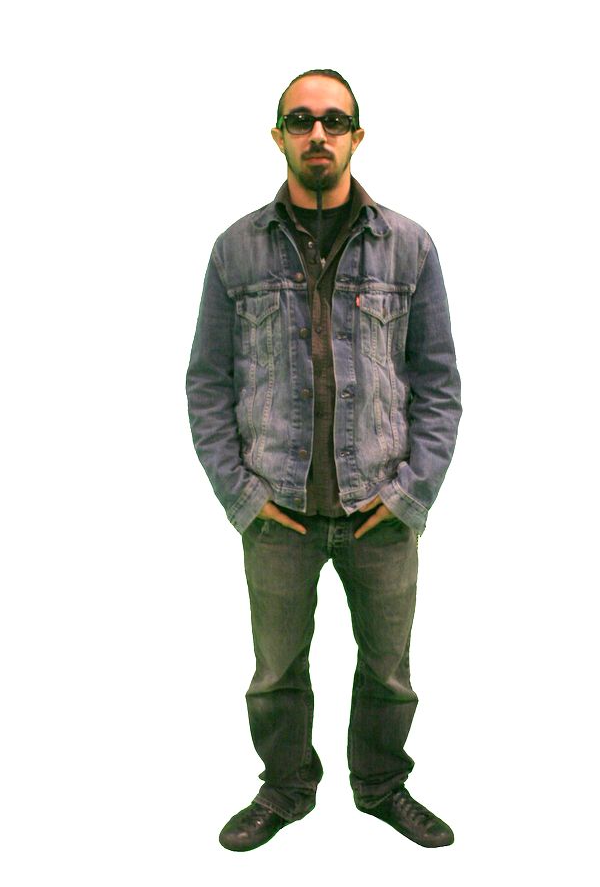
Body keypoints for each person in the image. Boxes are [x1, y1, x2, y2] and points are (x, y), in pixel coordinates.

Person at [186, 68, 462, 851]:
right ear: (278, 135)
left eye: (333, 121)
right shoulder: (237, 249)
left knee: (389, 672)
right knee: (276, 672)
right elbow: (207, 383)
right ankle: (285, 788)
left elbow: (439, 383)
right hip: (276, 512)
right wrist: (243, 498)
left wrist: (409, 495)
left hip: (382, 510)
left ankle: (381, 786)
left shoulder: (408, 246)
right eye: (302, 120)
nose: (318, 134)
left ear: (356, 136)